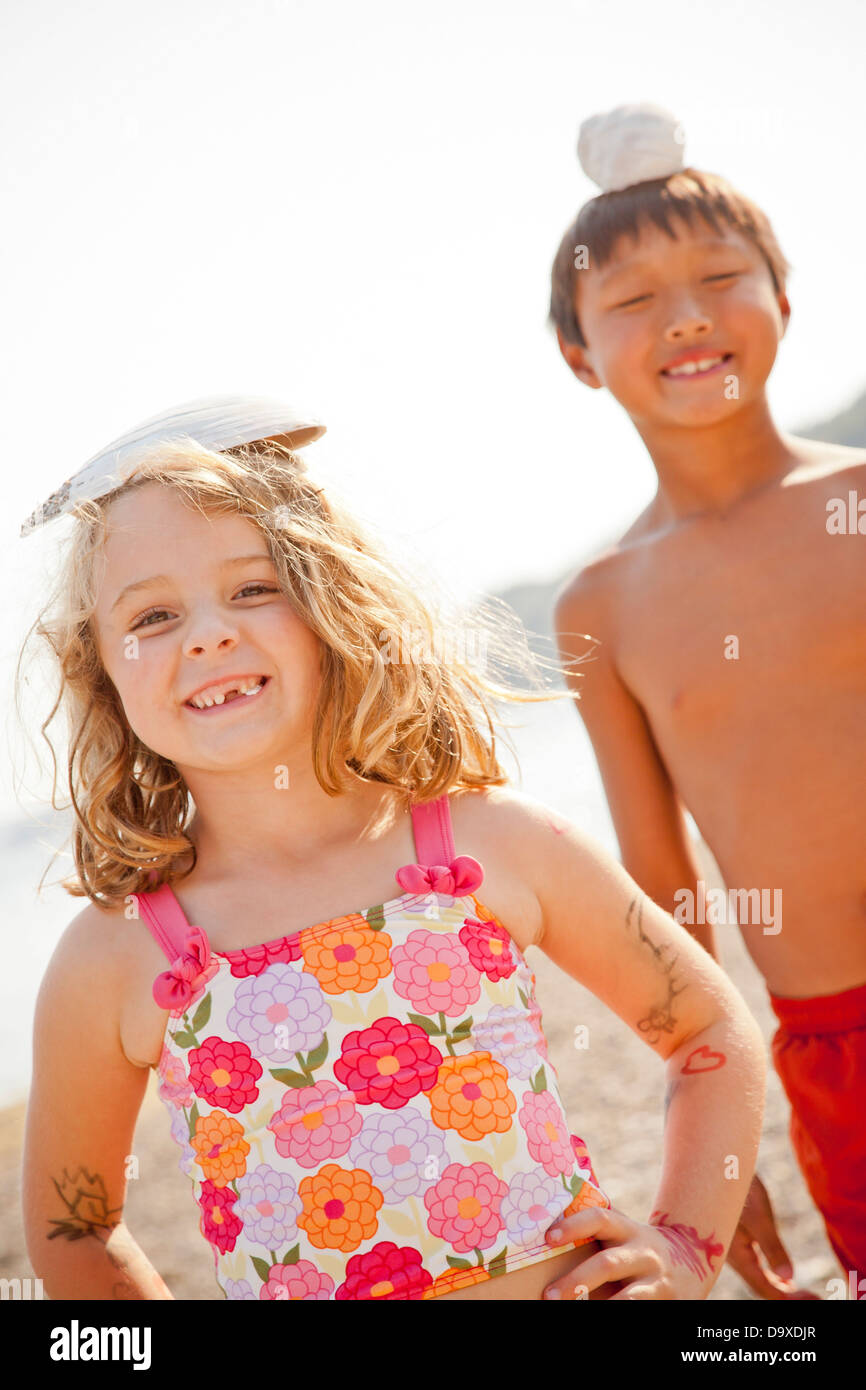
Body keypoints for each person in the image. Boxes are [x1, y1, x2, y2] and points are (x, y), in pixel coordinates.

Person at [19, 401, 765, 1301]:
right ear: (99, 668)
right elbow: (74, 1231)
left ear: (331, 598)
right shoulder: (113, 956)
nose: (209, 634)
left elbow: (707, 1031)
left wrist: (685, 1246)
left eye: (255, 588)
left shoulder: (491, 842)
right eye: (154, 614)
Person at [549, 104, 866, 1302]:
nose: (683, 315)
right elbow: (656, 888)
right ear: (579, 354)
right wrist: (710, 1148)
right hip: (831, 1035)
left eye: (721, 278)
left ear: (782, 300)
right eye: (628, 301)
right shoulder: (604, 607)